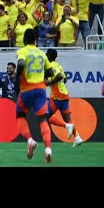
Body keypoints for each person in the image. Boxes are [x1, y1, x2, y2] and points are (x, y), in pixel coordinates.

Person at [15, 28, 54, 162]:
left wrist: (16, 80)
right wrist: (41, 75)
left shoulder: (22, 51)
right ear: (36, 39)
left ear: (25, 39)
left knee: (20, 115)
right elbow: (50, 71)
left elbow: (20, 63)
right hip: (41, 90)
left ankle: (30, 140)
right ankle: (48, 149)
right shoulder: (42, 53)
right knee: (43, 120)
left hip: (26, 88)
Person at [45, 49, 83, 147]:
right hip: (64, 94)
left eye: (46, 54)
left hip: (57, 96)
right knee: (67, 119)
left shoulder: (52, 65)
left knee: (44, 117)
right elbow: (65, 79)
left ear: (49, 56)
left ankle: (67, 126)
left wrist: (50, 83)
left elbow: (60, 76)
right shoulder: (58, 65)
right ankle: (77, 138)